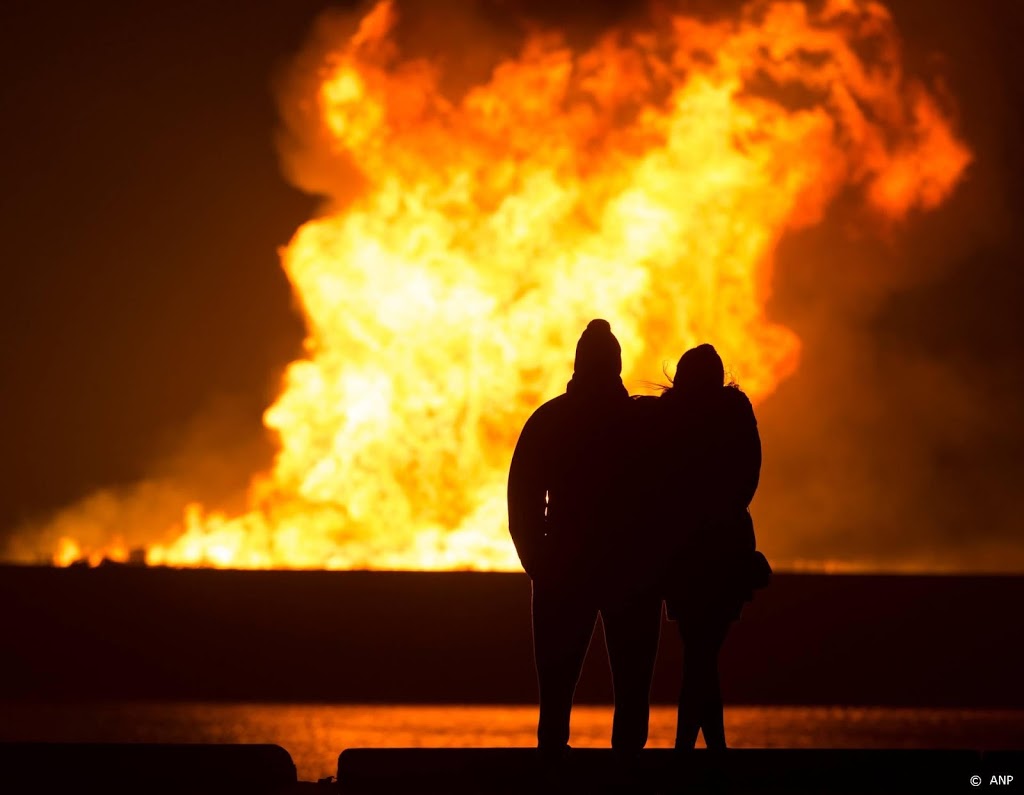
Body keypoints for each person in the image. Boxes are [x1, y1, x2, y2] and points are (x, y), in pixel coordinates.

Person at [507, 319, 663, 756]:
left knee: (556, 694)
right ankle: (628, 779)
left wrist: (538, 559)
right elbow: (667, 493)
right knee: (632, 691)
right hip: (627, 570)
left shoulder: (550, 419)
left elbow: (522, 499)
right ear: (616, 366)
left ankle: (553, 775)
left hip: (566, 568)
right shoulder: (642, 422)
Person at [646, 343, 769, 750]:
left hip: (682, 553)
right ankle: (708, 750)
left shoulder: (666, 416)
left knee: (698, 652)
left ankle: (694, 750)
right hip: (726, 550)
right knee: (704, 653)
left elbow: (654, 479)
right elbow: (749, 474)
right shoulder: (735, 413)